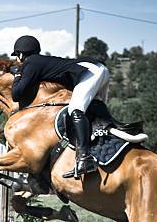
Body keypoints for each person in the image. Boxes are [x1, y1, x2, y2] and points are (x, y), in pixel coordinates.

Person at [10, 35, 110, 179]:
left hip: (91, 72)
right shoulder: (39, 62)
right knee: (94, 115)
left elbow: (16, 94)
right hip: (97, 69)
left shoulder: (31, 62)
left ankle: (84, 158)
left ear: (20, 54)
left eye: (17, 56)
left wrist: (17, 75)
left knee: (75, 109)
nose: (16, 60)